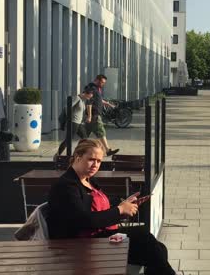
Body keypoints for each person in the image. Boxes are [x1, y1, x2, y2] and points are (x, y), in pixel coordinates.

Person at [47, 139, 179, 275]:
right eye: (91, 159)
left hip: (97, 237)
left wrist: (122, 205)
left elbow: (100, 208)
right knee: (146, 240)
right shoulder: (66, 186)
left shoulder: (87, 180)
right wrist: (120, 210)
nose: (95, 165)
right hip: (80, 244)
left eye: (99, 161)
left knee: (159, 248)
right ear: (78, 157)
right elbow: (85, 220)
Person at [55, 87, 95, 157]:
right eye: (90, 95)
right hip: (73, 122)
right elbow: (67, 107)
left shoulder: (83, 100)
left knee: (85, 138)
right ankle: (57, 155)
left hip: (78, 123)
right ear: (86, 93)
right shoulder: (77, 98)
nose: (90, 97)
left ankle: (77, 154)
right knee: (68, 140)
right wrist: (69, 118)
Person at [85, 74, 119, 156]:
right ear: (97, 80)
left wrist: (108, 104)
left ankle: (76, 152)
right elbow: (88, 102)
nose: (103, 84)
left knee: (84, 135)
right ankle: (107, 150)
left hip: (94, 115)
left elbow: (99, 100)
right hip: (94, 115)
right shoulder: (91, 88)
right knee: (101, 132)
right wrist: (89, 116)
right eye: (102, 82)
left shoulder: (97, 89)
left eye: (104, 83)